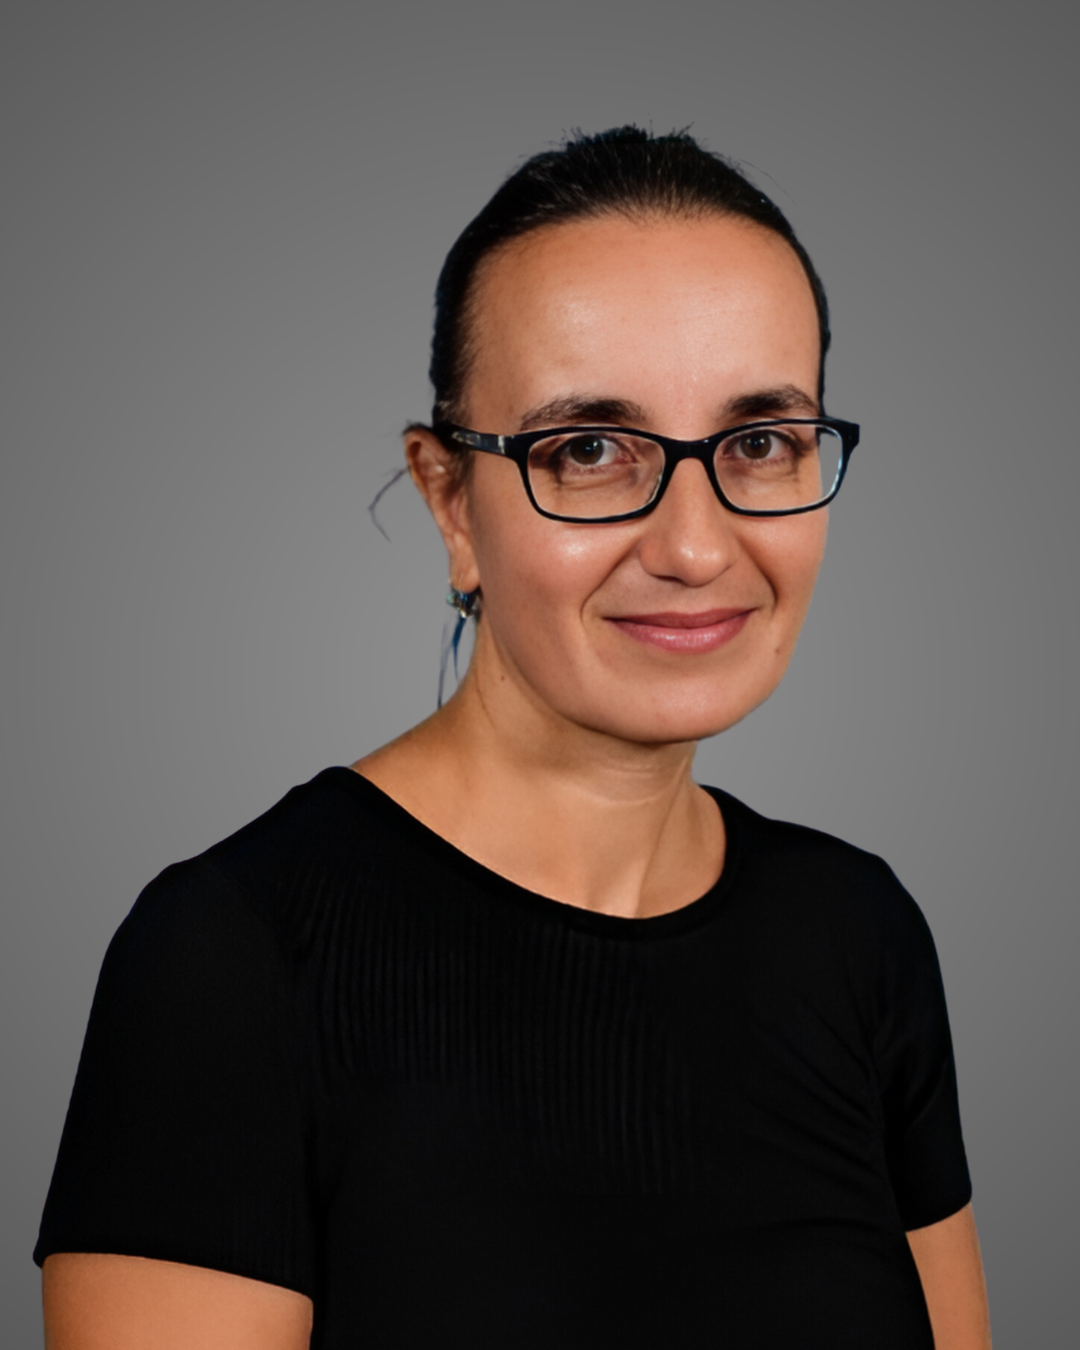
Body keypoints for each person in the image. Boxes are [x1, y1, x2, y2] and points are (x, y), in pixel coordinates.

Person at [35, 127, 992, 1349]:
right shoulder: (230, 959)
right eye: (588, 450)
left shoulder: (859, 934)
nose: (695, 546)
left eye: (760, 443)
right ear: (451, 501)